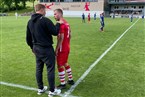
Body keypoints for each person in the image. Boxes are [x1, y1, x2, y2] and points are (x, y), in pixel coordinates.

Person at [26, 4, 61, 97]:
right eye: (45, 10)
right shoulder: (45, 20)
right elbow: (55, 32)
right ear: (41, 10)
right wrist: (58, 23)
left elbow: (28, 38)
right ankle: (52, 91)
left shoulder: (30, 22)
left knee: (39, 69)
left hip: (36, 49)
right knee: (50, 69)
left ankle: (40, 88)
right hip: (46, 49)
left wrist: (32, 48)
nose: (45, 12)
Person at [54, 9, 75, 89]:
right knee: (65, 63)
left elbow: (61, 38)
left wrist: (56, 50)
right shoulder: (67, 23)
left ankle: (63, 84)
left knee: (59, 65)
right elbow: (70, 35)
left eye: (55, 14)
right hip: (67, 47)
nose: (54, 15)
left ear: (60, 14)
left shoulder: (61, 25)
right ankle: (70, 79)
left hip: (62, 49)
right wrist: (68, 44)